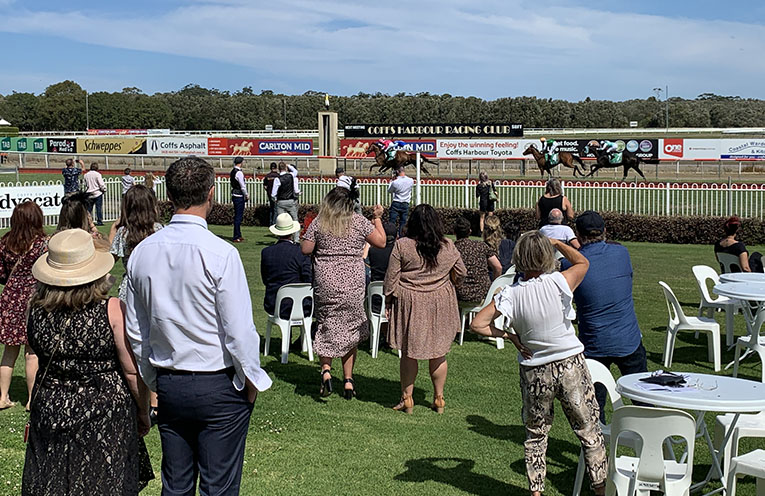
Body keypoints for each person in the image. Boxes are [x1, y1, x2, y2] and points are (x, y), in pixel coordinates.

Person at [125, 156, 272, 495]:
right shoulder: (220, 253)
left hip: (171, 380)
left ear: (169, 195)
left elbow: (137, 332)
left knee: (176, 485)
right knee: (218, 487)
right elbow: (239, 331)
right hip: (217, 383)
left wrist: (154, 379)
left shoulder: (143, 253)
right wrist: (251, 378)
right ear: (211, 193)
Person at [470, 231, 606, 496]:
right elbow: (583, 262)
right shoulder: (559, 281)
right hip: (570, 364)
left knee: (536, 435)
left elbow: (478, 324)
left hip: (534, 369)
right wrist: (557, 243)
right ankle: (600, 488)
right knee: (589, 430)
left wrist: (509, 336)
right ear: (545, 255)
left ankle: (536, 491)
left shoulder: (510, 294)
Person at [24, 228, 153, 494]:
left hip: (51, 406)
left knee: (52, 481)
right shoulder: (112, 309)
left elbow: (34, 353)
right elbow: (131, 372)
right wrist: (143, 411)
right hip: (104, 410)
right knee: (105, 482)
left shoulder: (35, 309)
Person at [562, 210, 648, 422]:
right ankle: (651, 431)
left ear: (578, 235)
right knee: (643, 399)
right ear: (604, 231)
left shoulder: (570, 265)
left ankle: (597, 439)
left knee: (593, 403)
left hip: (594, 343)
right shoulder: (622, 253)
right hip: (627, 339)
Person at [301, 187, 386, 399]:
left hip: (326, 279)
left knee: (326, 323)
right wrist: (377, 218)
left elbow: (306, 249)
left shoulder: (320, 222)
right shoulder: (358, 221)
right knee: (351, 327)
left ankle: (326, 370)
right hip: (353, 281)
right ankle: (348, 380)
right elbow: (381, 242)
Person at [384, 204, 466, 414]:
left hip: (410, 301)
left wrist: (388, 300)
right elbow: (461, 272)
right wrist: (450, 283)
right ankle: (439, 398)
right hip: (441, 302)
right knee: (438, 352)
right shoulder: (448, 246)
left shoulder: (402, 245)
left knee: (408, 352)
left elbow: (391, 278)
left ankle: (407, 398)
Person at [0, 202, 46, 410]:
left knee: (9, 351)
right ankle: (31, 399)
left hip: (10, 297)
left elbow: (1, 273)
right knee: (32, 352)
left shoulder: (5, 242)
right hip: (33, 298)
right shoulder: (42, 244)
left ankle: (2, 396)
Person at [109, 185, 163, 301]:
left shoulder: (123, 232)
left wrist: (113, 230)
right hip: (154, 285)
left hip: (130, 287)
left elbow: (109, 261)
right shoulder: (159, 230)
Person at [261, 213, 312, 325]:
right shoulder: (300, 252)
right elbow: (308, 279)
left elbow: (265, 279)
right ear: (292, 232)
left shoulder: (266, 252)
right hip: (301, 306)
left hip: (274, 305)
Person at [453, 217, 501, 303]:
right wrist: (494, 285)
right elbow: (498, 267)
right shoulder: (481, 246)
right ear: (470, 231)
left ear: (454, 232)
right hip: (483, 293)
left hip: (461, 295)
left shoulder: (452, 250)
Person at [271, 161, 300, 242]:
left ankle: (282, 239)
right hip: (290, 200)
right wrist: (289, 165)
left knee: (281, 221)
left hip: (281, 201)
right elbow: (295, 171)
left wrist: (275, 200)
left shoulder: (277, 179)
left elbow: (273, 194)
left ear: (278, 169)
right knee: (295, 220)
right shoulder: (291, 176)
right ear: (286, 168)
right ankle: (296, 239)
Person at [388, 167, 414, 237]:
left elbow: (389, 191)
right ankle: (401, 236)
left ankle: (391, 236)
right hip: (405, 203)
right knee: (403, 222)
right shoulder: (410, 180)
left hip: (397, 202)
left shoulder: (395, 182)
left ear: (397, 172)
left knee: (392, 221)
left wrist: (391, 181)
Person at [231, 156, 248, 243]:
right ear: (240, 163)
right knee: (238, 217)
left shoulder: (233, 171)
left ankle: (238, 234)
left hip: (234, 194)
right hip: (239, 195)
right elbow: (242, 186)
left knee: (238, 216)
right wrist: (246, 194)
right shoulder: (239, 173)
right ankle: (236, 236)